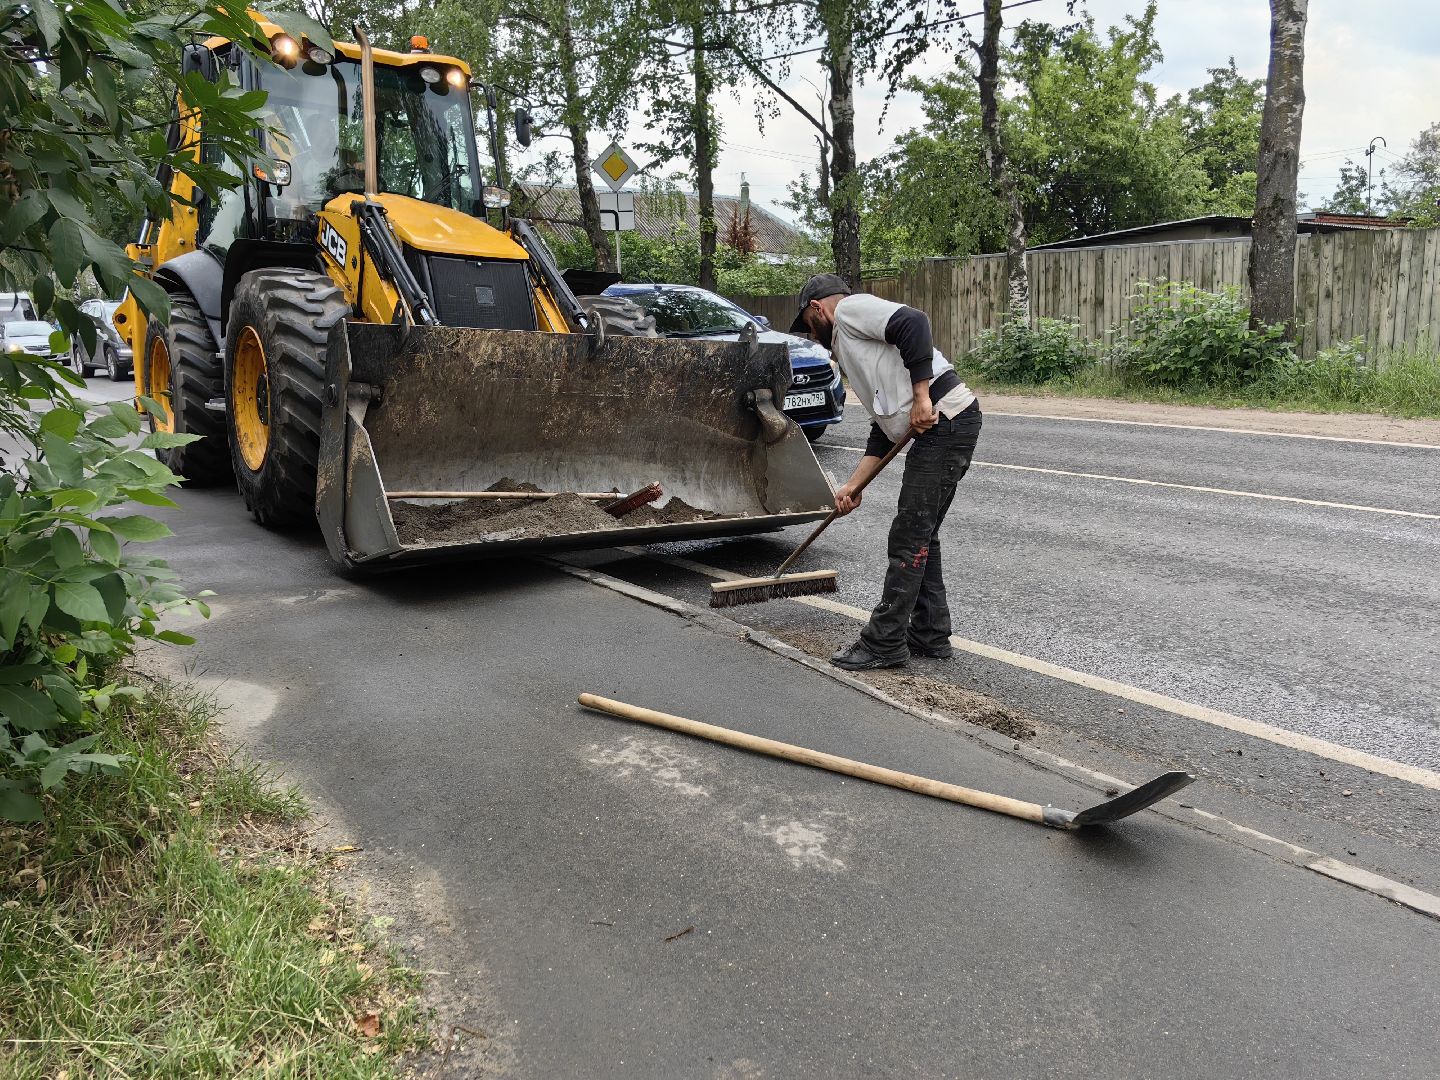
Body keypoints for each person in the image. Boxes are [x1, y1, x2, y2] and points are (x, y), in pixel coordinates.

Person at [792, 273, 983, 671]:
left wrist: (922, 396)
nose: (812, 335)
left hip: (945, 420)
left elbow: (914, 322)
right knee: (921, 531)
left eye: (809, 327)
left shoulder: (848, 310)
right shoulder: (853, 348)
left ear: (817, 309)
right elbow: (884, 430)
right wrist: (853, 485)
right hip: (946, 425)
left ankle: (884, 642)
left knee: (909, 534)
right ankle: (929, 634)